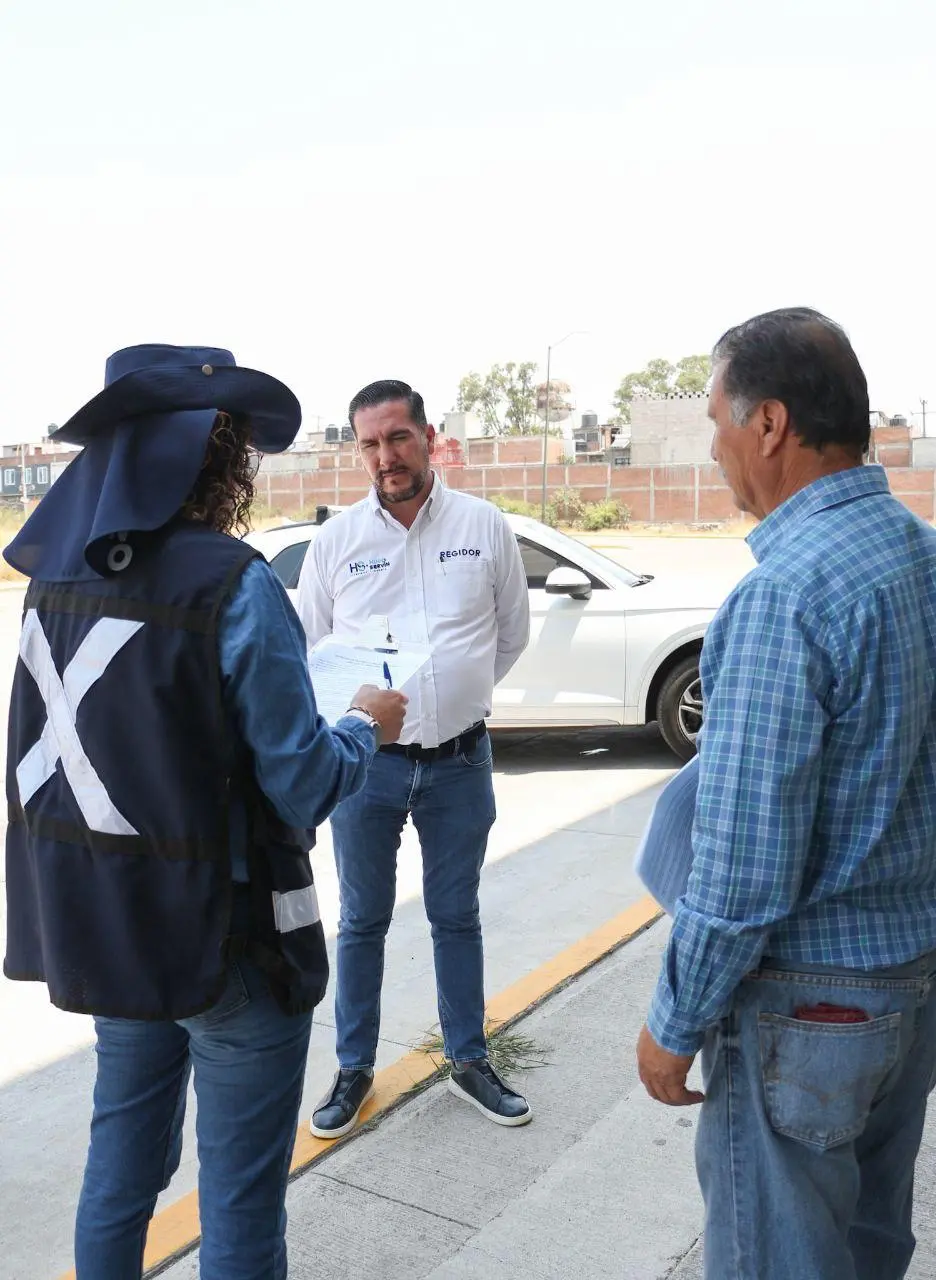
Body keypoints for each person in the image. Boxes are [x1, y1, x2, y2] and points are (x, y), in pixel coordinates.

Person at [3, 344, 407, 1280]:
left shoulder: (53, 580)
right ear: (209, 457)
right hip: (229, 942)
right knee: (238, 1205)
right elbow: (302, 783)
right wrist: (363, 726)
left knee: (119, 1173)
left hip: (112, 932)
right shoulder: (232, 580)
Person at [635, 308, 936, 1280]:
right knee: (869, 1247)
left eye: (716, 420)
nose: (713, 448)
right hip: (908, 984)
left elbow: (743, 868)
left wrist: (673, 1022)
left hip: (809, 1010)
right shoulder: (920, 552)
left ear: (768, 424)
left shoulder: (784, 595)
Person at [297, 379, 533, 1134]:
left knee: (456, 916)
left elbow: (510, 634)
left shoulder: (483, 525)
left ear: (429, 439)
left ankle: (469, 1060)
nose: (385, 456)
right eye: (370, 443)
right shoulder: (336, 543)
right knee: (361, 921)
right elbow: (313, 651)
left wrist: (455, 699)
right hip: (366, 767)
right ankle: (353, 1068)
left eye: (398, 437)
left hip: (461, 762)